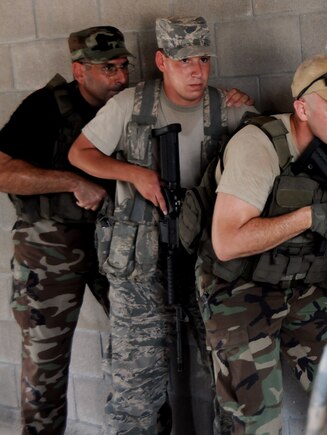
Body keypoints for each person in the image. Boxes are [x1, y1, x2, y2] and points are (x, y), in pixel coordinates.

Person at [67, 16, 255, 434]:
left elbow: (268, 150)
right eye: (184, 59)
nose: (196, 70)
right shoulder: (130, 104)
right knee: (135, 389)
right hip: (140, 268)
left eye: (203, 59)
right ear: (162, 61)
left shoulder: (227, 106)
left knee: (234, 381)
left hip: (208, 260)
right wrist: (133, 174)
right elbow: (80, 155)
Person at [194, 54, 327, 434]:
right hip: (239, 290)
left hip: (300, 288)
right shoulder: (259, 146)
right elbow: (226, 242)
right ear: (302, 108)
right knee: (257, 424)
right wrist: (308, 216)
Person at [0, 26, 132, 435]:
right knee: (45, 363)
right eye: (107, 67)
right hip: (50, 247)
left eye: (124, 65)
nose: (120, 76)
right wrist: (73, 182)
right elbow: (4, 173)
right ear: (79, 70)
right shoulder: (44, 107)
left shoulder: (130, 103)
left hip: (115, 241)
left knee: (142, 346)